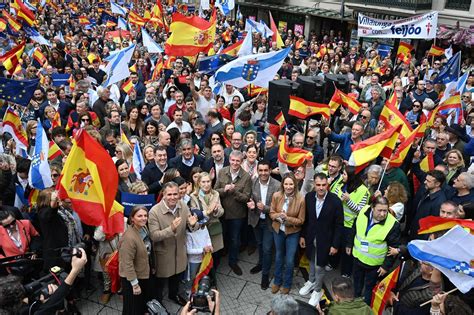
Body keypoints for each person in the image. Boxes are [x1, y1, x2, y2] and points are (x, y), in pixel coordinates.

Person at [148, 182, 198, 304]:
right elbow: (154, 236)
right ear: (163, 195)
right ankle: (157, 303)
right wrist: (171, 229)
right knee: (159, 283)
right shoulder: (154, 212)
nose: (173, 197)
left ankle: (173, 295)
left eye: (175, 194)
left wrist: (193, 225)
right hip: (164, 254)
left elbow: (190, 225)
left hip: (180, 251)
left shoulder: (183, 206)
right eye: (169, 194)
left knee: (176, 277)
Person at [299, 173, 343, 306]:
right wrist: (302, 235)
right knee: (312, 260)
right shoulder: (309, 197)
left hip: (326, 240)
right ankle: (311, 282)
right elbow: (305, 219)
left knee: (320, 266)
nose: (321, 188)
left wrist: (335, 244)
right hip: (311, 237)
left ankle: (318, 290)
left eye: (324, 185)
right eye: (318, 185)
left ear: (327, 185)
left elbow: (339, 224)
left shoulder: (335, 201)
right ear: (314, 185)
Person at [347, 196, 401, 304]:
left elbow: (393, 248)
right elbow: (354, 228)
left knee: (369, 289)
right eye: (379, 210)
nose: (382, 214)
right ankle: (356, 303)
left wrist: (386, 266)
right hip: (358, 258)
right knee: (356, 284)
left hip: (374, 265)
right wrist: (349, 244)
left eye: (385, 211)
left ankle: (366, 308)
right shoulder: (363, 211)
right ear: (372, 207)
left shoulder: (392, 225)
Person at [214, 150, 252, 276]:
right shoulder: (222, 171)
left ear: (241, 162)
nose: (235, 163)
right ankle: (218, 261)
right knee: (222, 236)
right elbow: (215, 191)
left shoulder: (246, 176)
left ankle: (233, 261)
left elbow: (246, 198)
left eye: (238, 161)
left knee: (235, 239)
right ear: (229, 160)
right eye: (233, 160)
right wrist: (224, 190)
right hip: (223, 213)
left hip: (237, 215)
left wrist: (235, 191)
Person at [270, 173, 306, 294]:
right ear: (282, 184)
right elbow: (271, 213)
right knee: (279, 257)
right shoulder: (276, 195)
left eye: (291, 184)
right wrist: (278, 216)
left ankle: (287, 283)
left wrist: (287, 219)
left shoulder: (301, 199)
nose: (288, 186)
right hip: (278, 230)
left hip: (293, 233)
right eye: (286, 184)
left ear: (295, 185)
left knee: (290, 260)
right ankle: (277, 281)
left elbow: (301, 221)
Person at [247, 161, 280, 290]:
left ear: (270, 170)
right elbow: (250, 197)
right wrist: (251, 205)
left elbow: (278, 207)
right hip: (256, 220)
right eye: (260, 170)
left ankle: (265, 275)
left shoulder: (277, 185)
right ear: (257, 170)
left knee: (267, 249)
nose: (263, 173)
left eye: (266, 170)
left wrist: (265, 208)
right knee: (259, 244)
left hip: (269, 222)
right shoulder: (253, 182)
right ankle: (260, 264)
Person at [119, 206, 153, 315]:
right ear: (132, 218)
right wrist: (135, 284)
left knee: (139, 304)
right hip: (132, 278)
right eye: (139, 216)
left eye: (145, 215)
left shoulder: (143, 228)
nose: (143, 218)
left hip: (141, 273)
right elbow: (127, 263)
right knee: (132, 307)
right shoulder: (129, 238)